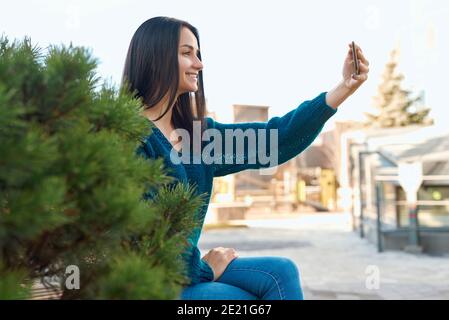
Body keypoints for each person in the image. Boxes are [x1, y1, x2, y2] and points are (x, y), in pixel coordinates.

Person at [122, 16, 369, 300]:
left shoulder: (199, 138)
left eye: (198, 54)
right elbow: (145, 237)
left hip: (185, 271)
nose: (199, 65)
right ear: (156, 57)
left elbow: (275, 139)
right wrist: (203, 270)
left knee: (282, 272)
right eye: (187, 53)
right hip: (147, 283)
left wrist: (342, 89)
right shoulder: (130, 137)